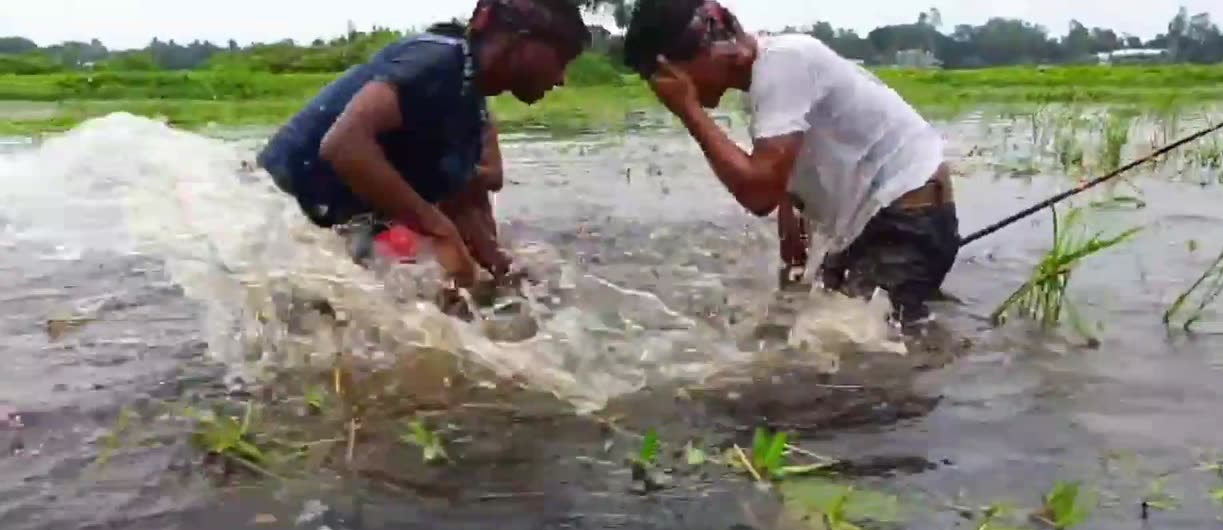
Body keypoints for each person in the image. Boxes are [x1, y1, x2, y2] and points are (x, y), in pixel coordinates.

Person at [622, 0, 960, 324]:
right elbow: (784, 191)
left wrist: (688, 109)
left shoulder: (784, 63)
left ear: (703, 53)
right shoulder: (765, 80)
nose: (667, 89)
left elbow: (759, 194)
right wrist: (792, 278)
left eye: (667, 75)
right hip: (879, 225)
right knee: (819, 327)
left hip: (905, 222)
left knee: (857, 357)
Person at [257, 0, 590, 292]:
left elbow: (461, 203)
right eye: (561, 59)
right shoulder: (439, 60)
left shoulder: (469, 102)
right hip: (271, 213)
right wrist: (438, 229)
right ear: (521, 40)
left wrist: (506, 275)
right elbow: (343, 144)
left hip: (324, 226)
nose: (561, 78)